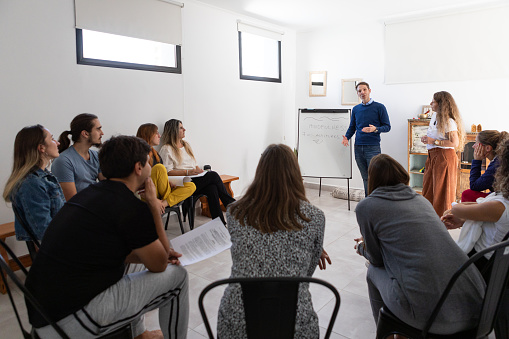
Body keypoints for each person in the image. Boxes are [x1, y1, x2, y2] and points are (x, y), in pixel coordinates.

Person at [25, 136, 189, 339]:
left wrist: (149, 254)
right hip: (68, 323)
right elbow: (160, 264)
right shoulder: (130, 207)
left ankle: (138, 334)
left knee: (139, 261)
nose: (151, 165)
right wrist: (154, 208)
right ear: (139, 167)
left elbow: (104, 249)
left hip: (43, 316)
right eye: (148, 161)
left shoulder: (90, 194)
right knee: (177, 277)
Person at [354, 154, 485, 334]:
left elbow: (376, 260)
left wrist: (362, 247)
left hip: (434, 320)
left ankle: (387, 330)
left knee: (373, 271)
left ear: (373, 180)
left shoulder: (366, 207)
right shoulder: (422, 200)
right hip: (478, 311)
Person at [217, 144, 330, 338]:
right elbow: (306, 274)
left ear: (260, 171)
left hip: (236, 321)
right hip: (296, 324)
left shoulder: (235, 212)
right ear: (296, 173)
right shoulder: (315, 218)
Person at [442, 137, 509, 338]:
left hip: (479, 265)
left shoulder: (501, 206)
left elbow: (466, 205)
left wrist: (457, 210)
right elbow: (483, 208)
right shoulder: (500, 204)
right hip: (496, 264)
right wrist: (464, 218)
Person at [159, 119, 235, 225]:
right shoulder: (166, 149)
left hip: (194, 179)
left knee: (212, 188)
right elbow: (167, 172)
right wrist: (187, 172)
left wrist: (198, 171)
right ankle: (232, 206)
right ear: (173, 130)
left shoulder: (186, 145)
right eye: (181, 128)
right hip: (182, 184)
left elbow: (193, 165)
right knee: (213, 175)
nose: (184, 129)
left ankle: (220, 225)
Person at [3, 125, 65, 241]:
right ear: (42, 148)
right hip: (56, 250)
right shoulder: (31, 184)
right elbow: (45, 232)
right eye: (52, 139)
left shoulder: (45, 176)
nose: (57, 143)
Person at [342, 82, 391, 197]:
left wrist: (375, 129)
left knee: (375, 177)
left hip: (373, 148)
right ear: (357, 93)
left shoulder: (379, 107)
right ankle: (368, 201)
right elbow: (352, 127)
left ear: (369, 90)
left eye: (364, 90)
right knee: (365, 177)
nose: (362, 92)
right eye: (359, 91)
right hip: (358, 147)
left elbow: (387, 127)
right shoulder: (356, 109)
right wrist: (347, 138)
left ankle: (377, 201)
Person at [421, 91, 465, 216]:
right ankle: (430, 217)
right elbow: (435, 138)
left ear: (441, 104)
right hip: (433, 155)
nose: (431, 103)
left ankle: (443, 219)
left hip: (444, 157)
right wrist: (428, 140)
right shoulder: (435, 117)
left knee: (442, 190)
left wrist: (433, 141)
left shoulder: (449, 121)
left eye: (433, 101)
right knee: (429, 188)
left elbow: (454, 142)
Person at [136, 123, 196, 213]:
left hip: (160, 192)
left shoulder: (157, 155)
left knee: (191, 186)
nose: (159, 136)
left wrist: (168, 182)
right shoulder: (137, 153)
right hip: (148, 192)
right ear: (147, 134)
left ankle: (162, 204)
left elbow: (161, 178)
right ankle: (164, 201)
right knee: (159, 168)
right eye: (156, 133)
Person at [52, 113, 105, 201]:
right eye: (98, 129)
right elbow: (72, 201)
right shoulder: (63, 161)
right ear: (85, 134)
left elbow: (107, 184)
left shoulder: (96, 156)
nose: (102, 133)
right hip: (80, 211)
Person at [461, 130, 508, 202]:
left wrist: (477, 161)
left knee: (467, 194)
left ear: (488, 148)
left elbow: (474, 186)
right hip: (500, 196)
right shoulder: (498, 159)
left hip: (504, 200)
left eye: (476, 143)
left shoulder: (497, 164)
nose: (473, 146)